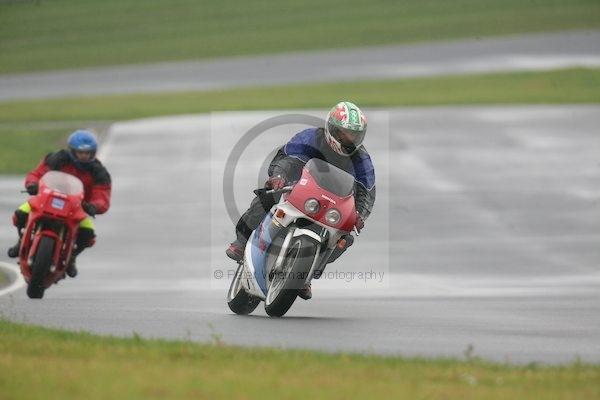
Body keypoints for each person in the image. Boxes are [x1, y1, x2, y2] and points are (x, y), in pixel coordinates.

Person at [226, 101, 376, 300]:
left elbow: (367, 191)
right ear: (331, 128)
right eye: (344, 134)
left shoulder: (362, 159)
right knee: (268, 195)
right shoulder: (311, 138)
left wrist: (359, 215)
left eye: (354, 135)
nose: (349, 139)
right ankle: (241, 241)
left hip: (332, 204)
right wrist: (279, 176)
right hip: (299, 185)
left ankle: (306, 275)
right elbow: (287, 159)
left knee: (344, 238)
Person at [7, 130, 112, 278]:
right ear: (72, 151)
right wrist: (32, 184)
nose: (84, 156)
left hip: (78, 208)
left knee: (88, 233)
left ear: (93, 152)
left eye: (88, 153)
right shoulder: (57, 159)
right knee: (21, 213)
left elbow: (102, 195)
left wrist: (94, 206)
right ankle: (21, 241)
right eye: (80, 152)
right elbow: (37, 173)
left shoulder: (99, 172)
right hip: (46, 199)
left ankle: (72, 257)